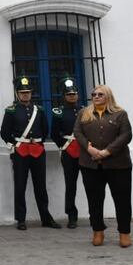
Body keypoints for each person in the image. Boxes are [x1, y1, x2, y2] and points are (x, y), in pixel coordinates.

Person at [73, 85, 133, 247]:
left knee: (122, 200)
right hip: (90, 164)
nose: (96, 97)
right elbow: (77, 132)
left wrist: (107, 151)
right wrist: (89, 148)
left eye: (100, 94)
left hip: (118, 165)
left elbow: (126, 135)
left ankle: (124, 233)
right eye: (94, 94)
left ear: (108, 96)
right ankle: (98, 231)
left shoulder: (120, 114)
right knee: (94, 200)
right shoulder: (84, 113)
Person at [0, 76, 61, 230]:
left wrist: (37, 143)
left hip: (37, 151)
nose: (25, 95)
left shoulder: (38, 110)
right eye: (22, 92)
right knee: (20, 186)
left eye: (27, 92)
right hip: (20, 152)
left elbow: (45, 130)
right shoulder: (11, 111)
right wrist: (15, 146)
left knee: (41, 186)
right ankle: (21, 219)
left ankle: (45, 217)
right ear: (17, 94)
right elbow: (4, 133)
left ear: (31, 93)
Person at [51, 77, 84, 229]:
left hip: (84, 151)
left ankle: (95, 215)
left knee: (91, 184)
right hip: (68, 151)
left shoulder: (84, 111)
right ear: (64, 96)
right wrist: (63, 146)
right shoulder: (59, 112)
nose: (72, 96)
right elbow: (54, 133)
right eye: (69, 94)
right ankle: (72, 216)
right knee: (70, 185)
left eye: (74, 94)